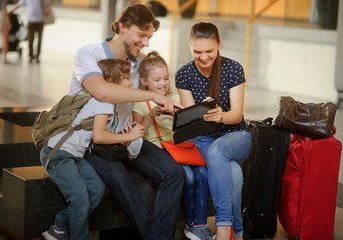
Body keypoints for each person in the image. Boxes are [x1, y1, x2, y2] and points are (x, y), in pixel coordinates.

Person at [68, 4, 184, 240]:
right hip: (93, 139)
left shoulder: (139, 62)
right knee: (123, 181)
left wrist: (168, 103)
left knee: (174, 173)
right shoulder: (87, 54)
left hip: (126, 137)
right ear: (122, 27)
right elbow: (102, 92)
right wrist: (152, 95)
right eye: (141, 35)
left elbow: (158, 80)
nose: (146, 42)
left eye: (149, 37)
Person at [40, 59, 141, 240]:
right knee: (79, 199)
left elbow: (102, 135)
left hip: (75, 156)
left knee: (96, 188)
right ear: (111, 81)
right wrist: (128, 137)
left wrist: (125, 139)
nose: (131, 82)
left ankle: (58, 227)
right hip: (59, 154)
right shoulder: (104, 103)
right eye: (126, 78)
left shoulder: (108, 104)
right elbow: (99, 137)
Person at [175, 22, 252, 240]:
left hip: (236, 136)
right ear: (190, 46)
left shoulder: (233, 68)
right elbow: (191, 125)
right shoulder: (184, 74)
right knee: (234, 174)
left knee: (218, 151)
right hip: (204, 139)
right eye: (197, 51)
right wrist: (202, 113)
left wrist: (221, 115)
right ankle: (237, 233)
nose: (203, 57)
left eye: (209, 51)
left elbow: (237, 114)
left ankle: (223, 229)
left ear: (219, 45)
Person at [132, 51, 215, 240]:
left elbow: (191, 119)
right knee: (188, 177)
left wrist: (184, 114)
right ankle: (190, 224)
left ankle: (200, 225)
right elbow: (138, 134)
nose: (163, 84)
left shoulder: (174, 98)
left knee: (202, 174)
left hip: (179, 147)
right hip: (160, 149)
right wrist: (150, 116)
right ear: (144, 82)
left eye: (166, 78)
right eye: (157, 80)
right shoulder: (139, 103)